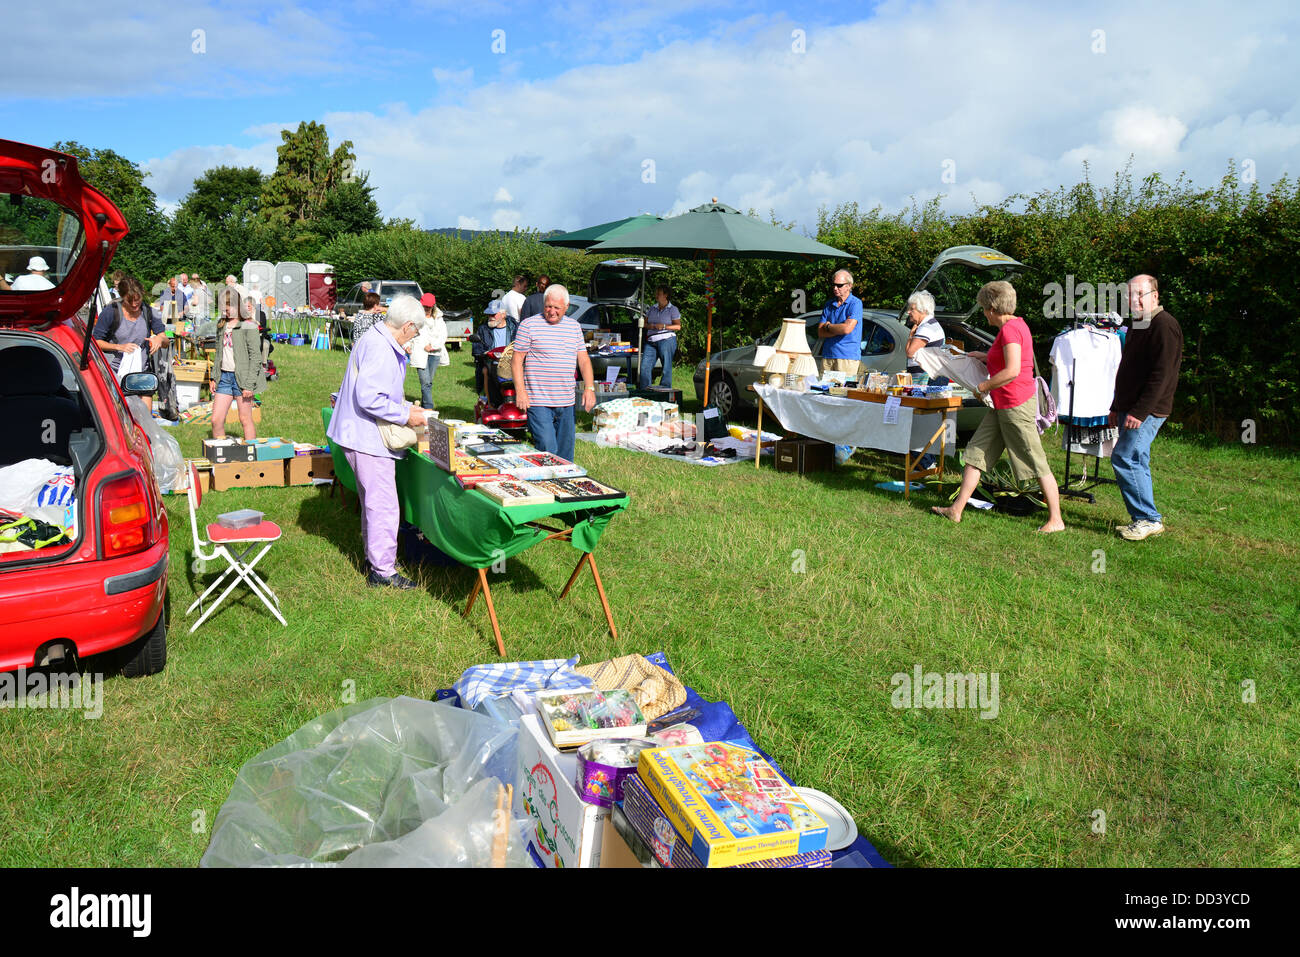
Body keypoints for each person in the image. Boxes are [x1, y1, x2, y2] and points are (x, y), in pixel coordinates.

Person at [931, 280, 1065, 533]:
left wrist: (983, 387)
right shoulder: (1015, 326)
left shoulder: (1011, 330)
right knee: (976, 453)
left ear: (992, 308)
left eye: (983, 308)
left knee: (1035, 461)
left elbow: (1013, 370)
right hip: (1002, 405)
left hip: (1015, 405)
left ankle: (1056, 519)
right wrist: (982, 356)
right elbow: (1008, 358)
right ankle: (956, 509)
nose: (983, 313)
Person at [325, 295, 429, 590]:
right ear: (408, 325)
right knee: (383, 505)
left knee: (374, 502)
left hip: (360, 433)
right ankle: (383, 571)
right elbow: (369, 398)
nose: (415, 336)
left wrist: (405, 406)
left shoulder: (376, 337)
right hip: (367, 437)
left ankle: (375, 560)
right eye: (416, 330)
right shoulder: (381, 347)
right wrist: (407, 415)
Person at [1109, 274, 1182, 541]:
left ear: (1155, 296)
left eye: (1141, 294)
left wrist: (1140, 412)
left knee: (1124, 458)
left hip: (1148, 409)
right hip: (1131, 406)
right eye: (1130, 295)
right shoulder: (1139, 323)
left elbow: (1162, 375)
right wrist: (1116, 406)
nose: (1135, 300)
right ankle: (1145, 519)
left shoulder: (1164, 325)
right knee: (1136, 459)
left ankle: (1147, 519)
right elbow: (1127, 369)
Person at [512, 284, 596, 462]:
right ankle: (543, 486)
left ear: (566, 307)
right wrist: (520, 391)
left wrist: (589, 388)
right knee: (548, 450)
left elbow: (583, 360)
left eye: (557, 307)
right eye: (548, 306)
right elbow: (517, 360)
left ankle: (563, 487)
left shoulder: (574, 327)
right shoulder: (529, 325)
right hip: (538, 401)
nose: (551, 311)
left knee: (565, 456)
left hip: (566, 402)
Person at [210, 295, 264, 441]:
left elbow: (256, 358)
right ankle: (221, 453)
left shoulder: (248, 325)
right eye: (223, 310)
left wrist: (249, 385)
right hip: (224, 378)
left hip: (243, 379)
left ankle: (250, 454)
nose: (225, 312)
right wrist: (214, 377)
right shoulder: (221, 325)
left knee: (244, 419)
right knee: (216, 420)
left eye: (228, 309)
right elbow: (218, 352)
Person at [904, 290, 946, 469]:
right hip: (929, 378)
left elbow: (910, 352)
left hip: (927, 380)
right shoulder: (929, 324)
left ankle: (924, 463)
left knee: (921, 422)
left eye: (911, 309)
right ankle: (925, 461)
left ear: (922, 310)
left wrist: (911, 335)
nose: (908, 312)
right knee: (925, 422)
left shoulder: (926, 327)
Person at [818, 269, 862, 376]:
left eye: (839, 285)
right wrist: (839, 329)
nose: (835, 288)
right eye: (833, 285)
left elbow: (847, 329)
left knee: (844, 391)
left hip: (847, 357)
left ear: (849, 286)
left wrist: (828, 326)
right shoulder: (829, 304)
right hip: (828, 355)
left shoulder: (855, 303)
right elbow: (820, 332)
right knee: (822, 391)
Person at [409, 292, 448, 409]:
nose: (426, 309)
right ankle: (429, 408)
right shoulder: (415, 318)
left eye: (428, 307)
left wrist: (433, 345)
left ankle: (424, 404)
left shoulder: (439, 318)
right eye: (424, 307)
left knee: (428, 382)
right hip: (420, 352)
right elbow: (410, 332)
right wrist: (408, 345)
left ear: (433, 306)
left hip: (435, 353)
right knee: (425, 382)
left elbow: (443, 335)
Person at [638, 284, 681, 389]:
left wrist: (664, 326)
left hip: (667, 339)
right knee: (644, 367)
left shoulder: (673, 309)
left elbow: (678, 326)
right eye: (656, 293)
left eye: (659, 293)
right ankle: (645, 391)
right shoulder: (652, 308)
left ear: (665, 295)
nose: (656, 295)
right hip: (651, 340)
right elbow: (644, 324)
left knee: (666, 367)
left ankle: (664, 391)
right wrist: (650, 326)